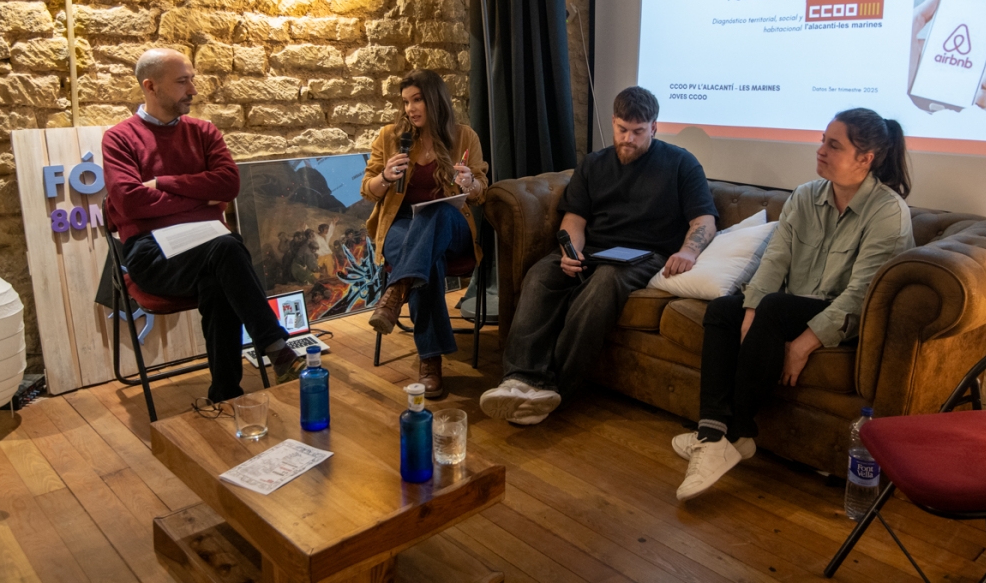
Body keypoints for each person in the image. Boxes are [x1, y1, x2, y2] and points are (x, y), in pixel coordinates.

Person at [675, 107, 915, 501]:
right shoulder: (805, 196)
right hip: (785, 309)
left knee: (775, 307)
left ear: (865, 158)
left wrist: (806, 342)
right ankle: (713, 433)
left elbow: (859, 297)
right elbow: (775, 261)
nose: (820, 150)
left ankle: (733, 433)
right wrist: (749, 312)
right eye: (822, 139)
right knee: (723, 310)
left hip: (845, 318)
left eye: (833, 145)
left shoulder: (888, 212)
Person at [479, 86, 719, 425]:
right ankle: (519, 378)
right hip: (593, 249)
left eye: (638, 132)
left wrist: (688, 251)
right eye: (622, 130)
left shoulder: (681, 164)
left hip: (645, 255)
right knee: (542, 274)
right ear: (613, 122)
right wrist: (570, 249)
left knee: (605, 281)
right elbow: (575, 219)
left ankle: (551, 387)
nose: (628, 139)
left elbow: (703, 220)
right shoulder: (594, 164)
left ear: (654, 127)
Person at [102, 48, 306, 404]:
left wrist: (163, 184)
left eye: (192, 79)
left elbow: (228, 185)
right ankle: (277, 348)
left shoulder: (204, 132)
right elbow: (130, 201)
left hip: (208, 247)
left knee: (220, 271)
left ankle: (225, 393)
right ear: (150, 86)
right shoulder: (119, 138)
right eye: (183, 82)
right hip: (152, 253)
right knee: (227, 250)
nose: (193, 89)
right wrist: (200, 197)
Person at [360, 70, 489, 398]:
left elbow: (480, 193)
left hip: (451, 224)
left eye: (417, 100)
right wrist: (386, 177)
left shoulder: (464, 137)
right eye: (406, 102)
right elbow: (368, 190)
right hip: (401, 225)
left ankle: (395, 291)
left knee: (435, 213)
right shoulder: (391, 136)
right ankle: (430, 362)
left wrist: (469, 183)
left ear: (435, 100)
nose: (411, 108)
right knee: (424, 265)